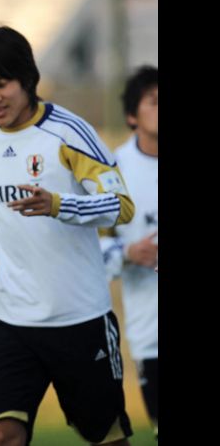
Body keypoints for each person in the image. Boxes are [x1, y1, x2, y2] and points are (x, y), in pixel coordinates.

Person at [0, 26, 135, 446]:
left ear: (27, 78)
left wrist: (59, 204)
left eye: (0, 85)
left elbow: (121, 205)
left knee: (107, 438)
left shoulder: (69, 132)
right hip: (12, 320)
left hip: (80, 318)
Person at [99, 66, 158, 439]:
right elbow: (89, 245)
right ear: (132, 116)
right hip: (151, 334)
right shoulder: (112, 171)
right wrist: (126, 252)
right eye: (155, 101)